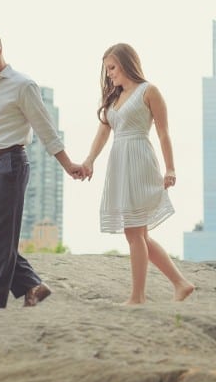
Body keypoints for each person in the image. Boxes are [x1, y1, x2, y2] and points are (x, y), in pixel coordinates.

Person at [0, 30, 84, 310]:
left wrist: (68, 164)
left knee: (1, 234)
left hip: (9, 163)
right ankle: (31, 285)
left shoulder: (23, 85)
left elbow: (45, 129)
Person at [82, 43, 195, 304]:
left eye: (112, 67)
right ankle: (181, 283)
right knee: (139, 234)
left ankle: (138, 297)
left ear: (126, 63)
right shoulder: (112, 98)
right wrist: (89, 160)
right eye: (106, 70)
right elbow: (102, 133)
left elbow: (164, 133)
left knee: (134, 233)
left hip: (140, 161)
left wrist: (171, 168)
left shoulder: (149, 91)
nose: (109, 74)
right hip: (119, 163)